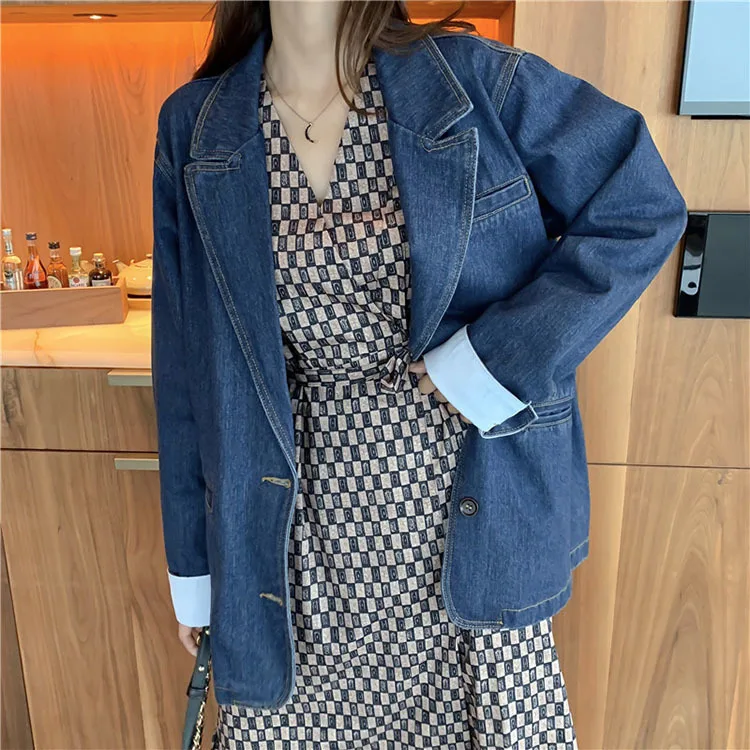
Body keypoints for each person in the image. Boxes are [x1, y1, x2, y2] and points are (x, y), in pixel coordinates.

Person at [151, 1, 688, 747]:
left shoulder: (476, 84)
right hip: (291, 538)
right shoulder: (198, 126)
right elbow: (185, 369)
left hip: (467, 509)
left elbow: (639, 205)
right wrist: (196, 568)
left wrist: (497, 359)